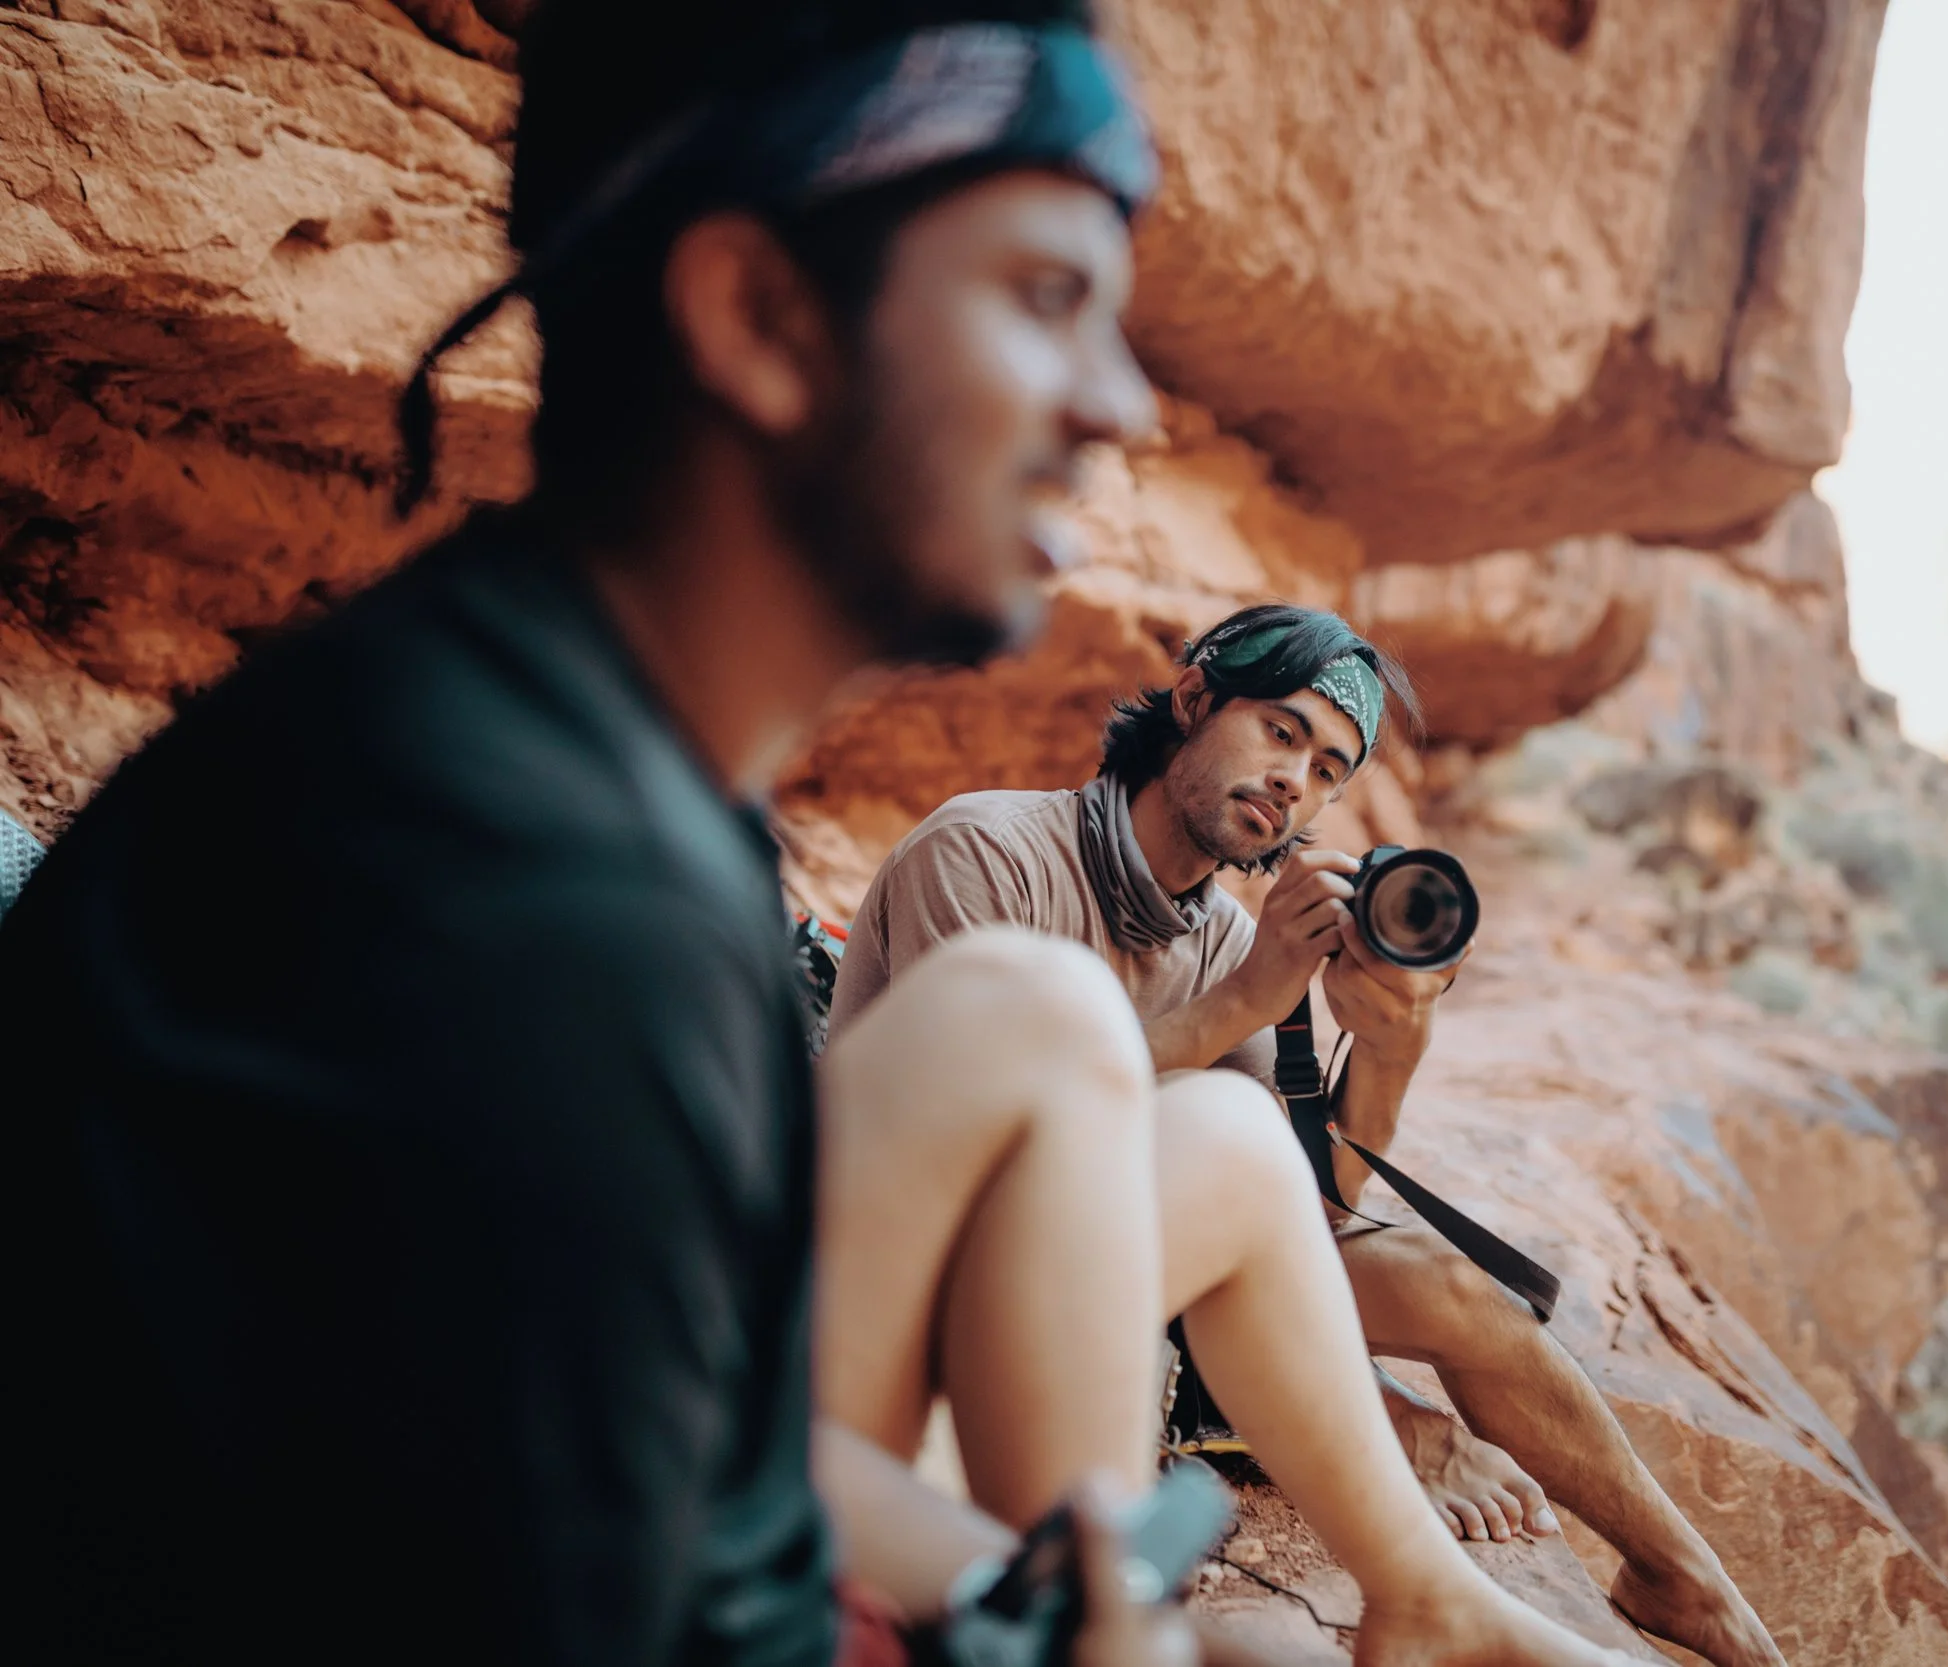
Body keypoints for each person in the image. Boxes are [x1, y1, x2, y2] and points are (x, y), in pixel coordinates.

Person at [8, 4, 1185, 1664]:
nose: (1121, 403)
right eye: (1048, 297)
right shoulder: (535, 906)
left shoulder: (541, 748)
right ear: (758, 314)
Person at [826, 606, 1789, 1667]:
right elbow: (978, 1148)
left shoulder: (1231, 935)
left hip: (1142, 1266)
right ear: (1194, 699)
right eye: (1281, 731)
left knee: (1449, 1279)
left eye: (1330, 766)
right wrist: (1243, 998)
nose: (1297, 780)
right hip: (946, 1279)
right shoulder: (990, 851)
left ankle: (1684, 1580)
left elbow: (1297, 1216)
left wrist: (1387, 1053)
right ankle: (1409, 1521)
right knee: (1205, 1116)